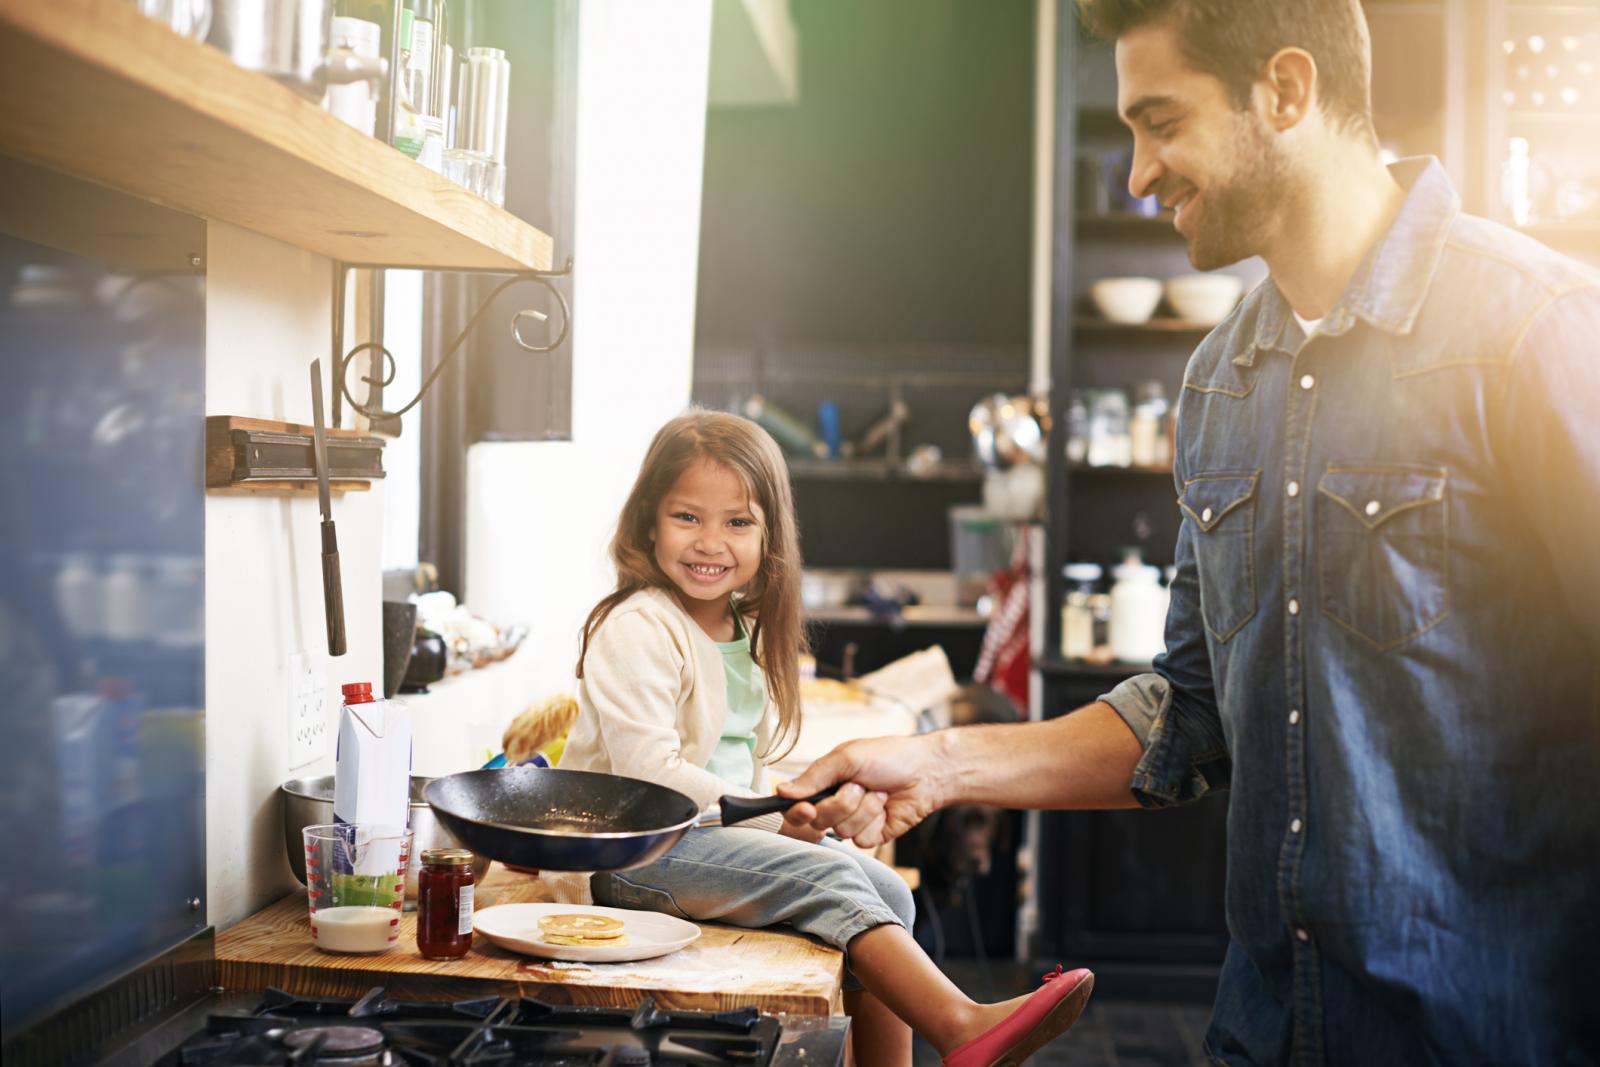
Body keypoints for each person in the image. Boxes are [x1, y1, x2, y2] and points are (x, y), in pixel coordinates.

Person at [778, 1, 1600, 1063]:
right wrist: (935, 764)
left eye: (1160, 120)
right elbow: (1190, 706)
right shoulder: (1220, 380)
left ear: (1287, 90)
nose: (1135, 174)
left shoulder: (1535, 330)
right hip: (1267, 1031)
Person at [556, 410, 1095, 1066]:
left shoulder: (740, 627)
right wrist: (775, 814)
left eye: (738, 521)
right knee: (837, 880)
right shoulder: (638, 624)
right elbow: (654, 778)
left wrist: (789, 815)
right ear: (648, 520)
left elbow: (729, 763)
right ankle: (959, 1024)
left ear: (768, 534)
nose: (710, 542)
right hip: (631, 857)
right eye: (687, 516)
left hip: (697, 840)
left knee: (891, 892)